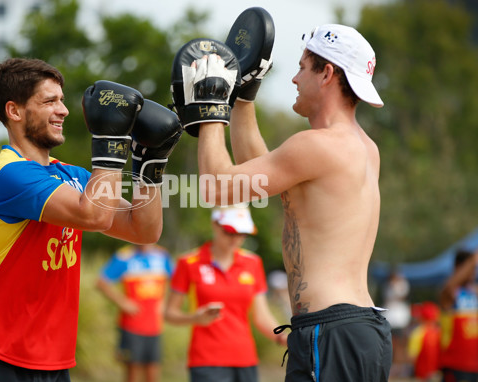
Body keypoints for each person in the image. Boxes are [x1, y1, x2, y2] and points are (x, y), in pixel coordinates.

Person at [0, 57, 182, 381]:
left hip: (50, 361)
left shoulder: (73, 176)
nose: (63, 110)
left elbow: (143, 229)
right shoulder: (5, 171)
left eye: (62, 100)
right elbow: (93, 214)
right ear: (15, 111)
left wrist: (149, 162)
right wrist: (110, 142)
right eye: (50, 101)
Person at [172, 22, 392, 381]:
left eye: (302, 68)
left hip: (331, 330)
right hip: (357, 329)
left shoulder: (318, 145)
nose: (293, 79)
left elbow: (215, 188)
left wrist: (212, 105)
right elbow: (261, 179)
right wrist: (243, 97)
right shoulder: (361, 147)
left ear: (327, 74)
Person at [164, 204, 283, 382]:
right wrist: (195, 318)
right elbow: (169, 313)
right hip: (206, 360)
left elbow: (262, 316)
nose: (236, 240)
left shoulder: (253, 263)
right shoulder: (189, 262)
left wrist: (285, 338)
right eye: (229, 232)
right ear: (215, 225)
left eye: (242, 234)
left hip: (245, 359)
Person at [96, 243, 173, 382]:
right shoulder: (124, 256)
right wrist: (122, 302)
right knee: (132, 371)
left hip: (155, 325)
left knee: (153, 370)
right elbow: (101, 282)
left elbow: (175, 282)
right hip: (131, 325)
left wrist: (165, 302)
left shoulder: (162, 255)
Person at [439, 248, 478, 381]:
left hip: (474, 365)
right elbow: (450, 285)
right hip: (455, 365)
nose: (473, 272)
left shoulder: (473, 292)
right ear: (458, 267)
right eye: (470, 268)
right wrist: (473, 260)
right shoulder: (449, 292)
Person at [407, 302, 441, 381]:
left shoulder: (417, 333)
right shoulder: (440, 332)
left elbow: (412, 356)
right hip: (437, 373)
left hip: (421, 374)